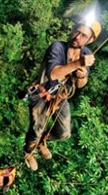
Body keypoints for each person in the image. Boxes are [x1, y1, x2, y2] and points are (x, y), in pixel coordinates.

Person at [24, 19, 101, 171]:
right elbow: (53, 74)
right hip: (41, 93)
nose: (77, 37)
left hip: (60, 96)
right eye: (76, 32)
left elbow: (80, 85)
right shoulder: (58, 47)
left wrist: (82, 75)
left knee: (64, 132)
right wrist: (78, 64)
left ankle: (42, 142)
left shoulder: (86, 54)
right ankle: (28, 152)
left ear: (90, 40)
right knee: (36, 129)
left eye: (83, 35)